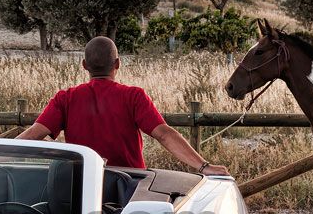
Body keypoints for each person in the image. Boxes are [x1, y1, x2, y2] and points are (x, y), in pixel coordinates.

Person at [17, 37, 230, 175]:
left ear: (84, 66)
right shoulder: (134, 96)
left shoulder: (65, 98)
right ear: (118, 63)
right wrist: (204, 166)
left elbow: (33, 135)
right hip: (129, 183)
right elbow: (164, 134)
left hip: (83, 187)